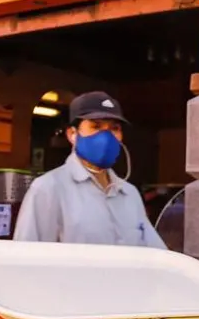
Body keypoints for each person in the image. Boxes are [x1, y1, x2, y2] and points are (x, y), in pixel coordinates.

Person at [14, 91, 166, 249]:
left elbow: (155, 252)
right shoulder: (48, 188)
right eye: (96, 126)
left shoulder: (129, 194)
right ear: (73, 134)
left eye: (114, 128)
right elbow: (26, 257)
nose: (106, 136)